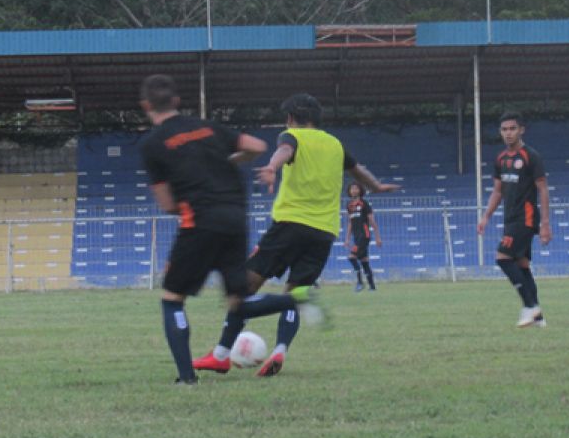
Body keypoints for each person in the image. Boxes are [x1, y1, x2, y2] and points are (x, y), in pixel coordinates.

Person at [194, 93, 399, 378]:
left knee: (241, 289)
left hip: (290, 225)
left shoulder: (291, 136)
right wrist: (376, 187)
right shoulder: (335, 144)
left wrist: (271, 167)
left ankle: (220, 355)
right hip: (324, 232)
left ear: (290, 119)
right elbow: (357, 170)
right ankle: (280, 350)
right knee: (296, 289)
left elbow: (285, 151)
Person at [139, 75, 321, 385]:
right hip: (235, 217)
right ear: (177, 102)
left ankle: (187, 378)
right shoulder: (206, 127)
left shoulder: (153, 144)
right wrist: (226, 163)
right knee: (238, 300)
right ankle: (296, 299)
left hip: (199, 221)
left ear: (146, 106)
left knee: (172, 298)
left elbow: (168, 205)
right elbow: (256, 146)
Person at [476, 112, 552, 328]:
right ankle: (537, 315)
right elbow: (497, 191)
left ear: (521, 130)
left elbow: (543, 189)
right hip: (510, 219)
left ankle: (529, 306)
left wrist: (545, 223)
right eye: (504, 129)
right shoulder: (501, 159)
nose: (508, 133)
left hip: (525, 219)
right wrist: (486, 215)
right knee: (522, 264)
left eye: (512, 128)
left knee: (502, 257)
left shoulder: (531, 156)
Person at [345, 182, 382, 291]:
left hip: (364, 236)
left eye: (356, 188)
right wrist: (347, 238)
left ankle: (360, 282)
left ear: (360, 191)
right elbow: (350, 222)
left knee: (351, 257)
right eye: (352, 189)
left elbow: (371, 221)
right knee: (364, 261)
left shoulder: (364, 204)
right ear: (349, 191)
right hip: (356, 237)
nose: (354, 190)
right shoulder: (349, 205)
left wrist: (377, 237)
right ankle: (372, 287)